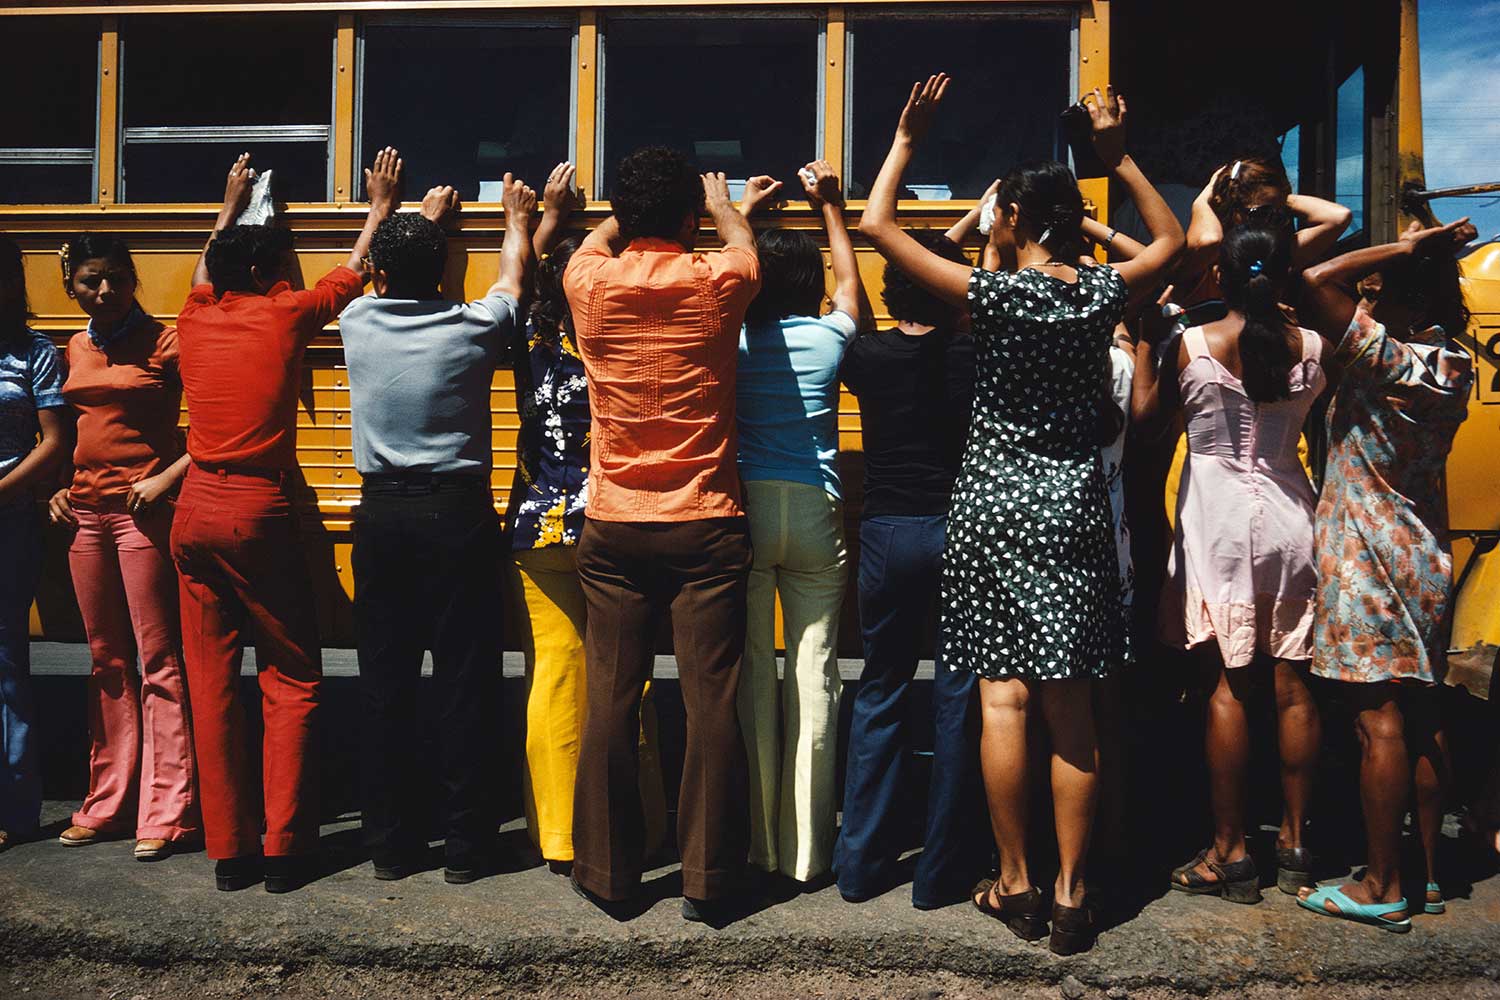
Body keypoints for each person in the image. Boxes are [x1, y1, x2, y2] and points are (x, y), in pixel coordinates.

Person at [859, 78, 1183, 955]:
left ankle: (1016, 883)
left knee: (1003, 700)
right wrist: (1117, 158)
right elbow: (1175, 238)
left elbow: (880, 229)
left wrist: (904, 140)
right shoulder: (1099, 293)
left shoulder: (990, 296)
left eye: (999, 212)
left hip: (995, 504)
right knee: (1070, 708)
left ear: (1015, 223)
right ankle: (1076, 896)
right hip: (1074, 501)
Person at [171, 149, 401, 893]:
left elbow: (209, 267)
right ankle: (285, 848)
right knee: (292, 675)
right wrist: (377, 209)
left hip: (193, 508)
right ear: (276, 270)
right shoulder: (286, 314)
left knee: (210, 682)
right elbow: (355, 271)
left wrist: (228, 203)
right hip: (255, 512)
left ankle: (229, 851)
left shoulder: (195, 316)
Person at [562, 147, 759, 923]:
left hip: (614, 521)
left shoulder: (589, 283)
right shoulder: (719, 280)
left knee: (610, 695)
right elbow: (742, 245)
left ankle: (609, 875)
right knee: (712, 701)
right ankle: (708, 879)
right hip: (706, 518)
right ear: (688, 218)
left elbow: (591, 245)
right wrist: (716, 204)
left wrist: (638, 212)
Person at [338, 170, 535, 884]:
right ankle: (466, 846)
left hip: (381, 513)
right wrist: (516, 217)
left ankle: (391, 847)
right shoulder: (475, 327)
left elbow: (357, 270)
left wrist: (396, 213)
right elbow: (512, 278)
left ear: (384, 276)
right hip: (457, 514)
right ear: (447, 269)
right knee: (465, 680)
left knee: (385, 682)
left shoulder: (357, 321)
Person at [1135, 215, 1333, 904]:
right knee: (1293, 684)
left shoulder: (1192, 344)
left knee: (1227, 685)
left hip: (1217, 522)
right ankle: (1299, 844)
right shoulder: (1313, 345)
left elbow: (1144, 416)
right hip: (1292, 517)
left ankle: (1231, 850)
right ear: (1285, 274)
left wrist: (1143, 338)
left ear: (1221, 273)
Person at [1294, 216, 1477, 932]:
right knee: (1425, 714)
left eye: (1379, 296)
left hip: (1365, 555)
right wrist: (1412, 260)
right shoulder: (1452, 365)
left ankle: (1381, 883)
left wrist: (1400, 247)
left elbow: (1313, 280)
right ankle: (1428, 875)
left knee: (1378, 723)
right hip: (1424, 555)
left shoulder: (1387, 357)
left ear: (1411, 303)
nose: (1364, 307)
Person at [507, 163, 669, 878]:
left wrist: (536, 218)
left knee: (554, 673)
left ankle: (557, 834)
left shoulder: (524, 338)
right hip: (606, 522)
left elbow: (522, 276)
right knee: (620, 678)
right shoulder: (616, 333)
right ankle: (635, 825)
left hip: (534, 524)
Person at [832, 226, 983, 910]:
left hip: (887, 533)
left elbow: (853, 301)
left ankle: (860, 866)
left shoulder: (866, 355)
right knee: (957, 697)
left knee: (881, 689)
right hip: (957, 529)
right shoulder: (968, 354)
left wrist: (838, 214)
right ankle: (939, 872)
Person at [734, 160, 867, 886]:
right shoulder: (826, 338)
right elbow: (850, 291)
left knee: (755, 672)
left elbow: (718, 278)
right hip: (815, 509)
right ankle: (808, 852)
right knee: (815, 675)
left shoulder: (731, 338)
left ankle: (759, 841)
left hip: (747, 508)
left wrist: (743, 219)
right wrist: (831, 212)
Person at [47, 235, 199, 860]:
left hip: (144, 517)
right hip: (85, 516)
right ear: (71, 287)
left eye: (115, 278)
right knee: (107, 660)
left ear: (133, 278)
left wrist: (166, 477)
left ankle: (167, 813)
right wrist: (57, 489)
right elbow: (64, 432)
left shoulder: (165, 343)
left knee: (159, 660)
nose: (105, 290)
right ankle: (106, 804)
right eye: (90, 281)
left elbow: (216, 424)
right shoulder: (75, 346)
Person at [0, 234, 69, 852]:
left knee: (6, 664)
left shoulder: (34, 352)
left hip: (9, 519)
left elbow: (54, 443)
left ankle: (15, 809)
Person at [1178, 156, 1352, 310]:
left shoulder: (1274, 254)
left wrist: (1280, 200)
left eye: (1277, 215)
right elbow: (1211, 240)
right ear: (1232, 209)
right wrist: (1203, 200)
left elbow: (1338, 217)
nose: (1270, 223)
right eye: (1261, 214)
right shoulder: (1207, 256)